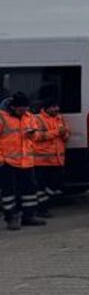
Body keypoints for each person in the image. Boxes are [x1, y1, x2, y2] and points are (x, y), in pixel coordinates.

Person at [0, 92, 46, 230]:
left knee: (30, 190)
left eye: (26, 108)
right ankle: (11, 218)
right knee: (9, 192)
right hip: (7, 162)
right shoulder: (2, 118)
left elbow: (37, 135)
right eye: (21, 109)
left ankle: (29, 216)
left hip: (26, 161)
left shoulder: (29, 117)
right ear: (13, 107)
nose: (24, 111)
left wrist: (33, 134)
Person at [31, 99, 69, 217]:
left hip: (57, 159)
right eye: (53, 107)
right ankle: (41, 209)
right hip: (41, 161)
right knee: (41, 187)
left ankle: (43, 205)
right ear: (46, 108)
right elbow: (36, 136)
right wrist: (57, 132)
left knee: (54, 185)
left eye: (57, 106)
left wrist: (64, 134)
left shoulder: (60, 118)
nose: (56, 109)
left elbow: (66, 134)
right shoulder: (37, 119)